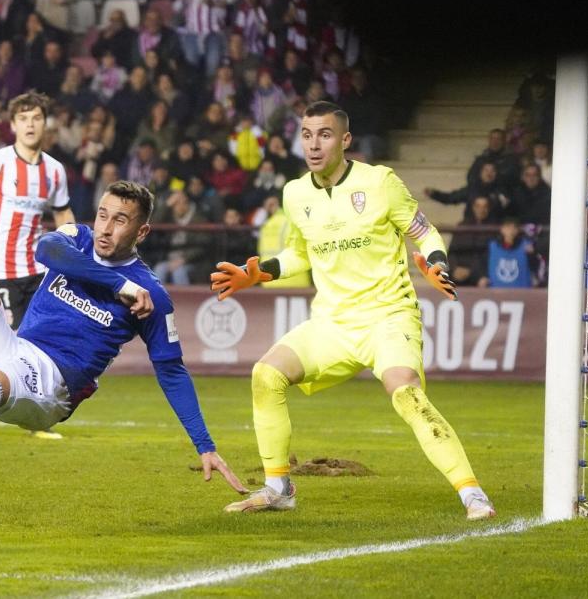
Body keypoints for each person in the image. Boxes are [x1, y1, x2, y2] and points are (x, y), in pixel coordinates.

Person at [0, 153, 246, 545]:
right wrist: (118, 287)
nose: (105, 228)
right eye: (102, 214)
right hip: (15, 348)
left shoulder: (152, 295)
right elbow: (46, 250)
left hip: (52, 387)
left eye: (120, 220)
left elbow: (171, 370)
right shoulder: (77, 239)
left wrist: (205, 444)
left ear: (142, 232)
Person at [210, 101, 495, 520]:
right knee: (265, 375)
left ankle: (473, 495)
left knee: (406, 394)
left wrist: (436, 263)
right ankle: (278, 487)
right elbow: (299, 254)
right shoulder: (295, 193)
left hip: (388, 315)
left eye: (324, 134)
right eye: (306, 135)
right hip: (332, 322)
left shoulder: (381, 182)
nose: (313, 144)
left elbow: (424, 230)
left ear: (345, 140)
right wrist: (259, 273)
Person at [0, 91, 74, 439]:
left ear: (45, 122)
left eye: (36, 118)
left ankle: (33, 418)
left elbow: (63, 212)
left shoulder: (54, 170)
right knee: (0, 346)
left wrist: (72, 250)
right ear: (13, 125)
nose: (30, 124)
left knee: (36, 346)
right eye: (23, 119)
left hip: (37, 270)